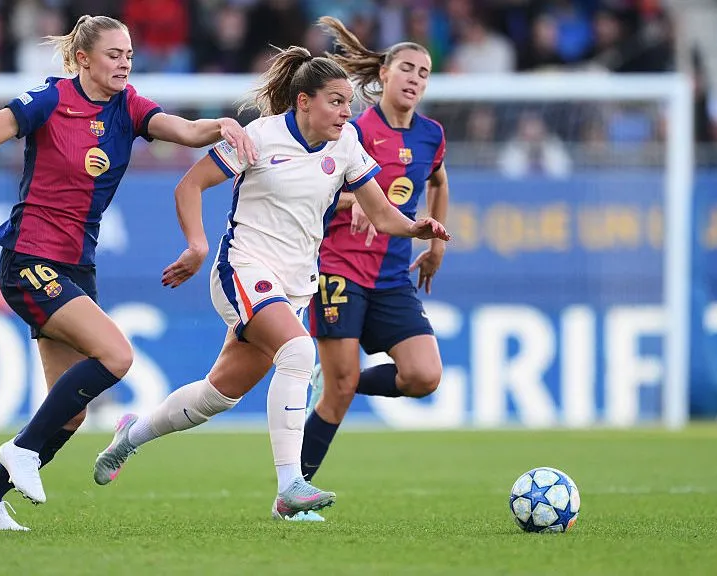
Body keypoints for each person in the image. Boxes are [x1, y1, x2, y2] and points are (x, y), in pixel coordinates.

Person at [0, 14, 256, 532]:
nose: (124, 63)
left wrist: (222, 125)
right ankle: (21, 449)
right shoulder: (49, 100)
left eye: (129, 56)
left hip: (77, 264)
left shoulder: (129, 105)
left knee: (71, 414)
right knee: (117, 355)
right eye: (114, 55)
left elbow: (183, 131)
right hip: (30, 259)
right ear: (83, 59)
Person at [90, 44, 451, 520]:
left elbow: (382, 213)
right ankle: (289, 488)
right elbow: (190, 185)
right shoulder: (258, 137)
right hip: (243, 267)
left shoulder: (346, 145)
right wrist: (197, 246)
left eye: (348, 103)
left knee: (217, 395)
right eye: (336, 101)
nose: (347, 112)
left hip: (295, 283)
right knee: (300, 351)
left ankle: (129, 436)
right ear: (304, 101)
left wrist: (415, 227)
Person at [296, 17, 453, 521]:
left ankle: (337, 378)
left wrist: (436, 246)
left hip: (391, 276)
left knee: (424, 375)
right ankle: (292, 492)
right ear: (383, 74)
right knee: (338, 398)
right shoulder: (354, 130)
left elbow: (439, 182)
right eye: (406, 67)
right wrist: (351, 200)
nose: (414, 78)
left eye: (424, 73)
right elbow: (312, 188)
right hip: (340, 268)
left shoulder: (432, 135)